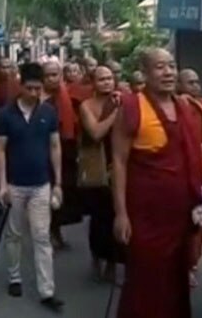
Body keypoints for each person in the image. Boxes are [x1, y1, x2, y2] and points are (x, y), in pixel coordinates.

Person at [112, 48, 202, 318]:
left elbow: (193, 152)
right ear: (145, 72)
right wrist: (121, 214)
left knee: (177, 280)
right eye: (160, 67)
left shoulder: (184, 107)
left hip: (180, 215)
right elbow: (118, 161)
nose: (168, 73)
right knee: (145, 281)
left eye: (172, 66)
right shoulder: (132, 107)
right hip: (146, 216)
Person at [0, 62, 65, 313]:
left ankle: (47, 291)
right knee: (14, 234)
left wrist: (58, 184)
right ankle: (15, 277)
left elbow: (55, 147)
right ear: (20, 86)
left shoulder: (48, 112)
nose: (35, 93)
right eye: (30, 88)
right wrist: (2, 185)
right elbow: (0, 150)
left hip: (41, 184)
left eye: (38, 88)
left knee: (42, 236)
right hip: (15, 183)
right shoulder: (5, 115)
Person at [79, 66, 123, 282]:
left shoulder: (123, 100)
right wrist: (115, 113)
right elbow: (96, 133)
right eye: (102, 79)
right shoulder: (87, 106)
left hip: (119, 166)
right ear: (93, 83)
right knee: (99, 218)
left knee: (117, 216)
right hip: (97, 166)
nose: (107, 83)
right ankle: (96, 257)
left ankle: (113, 264)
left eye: (109, 79)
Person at [42, 60, 82, 249]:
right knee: (47, 192)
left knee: (65, 190)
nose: (52, 79)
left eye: (55, 75)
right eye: (47, 75)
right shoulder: (37, 99)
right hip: (44, 152)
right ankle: (49, 231)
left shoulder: (67, 94)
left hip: (67, 149)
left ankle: (57, 229)